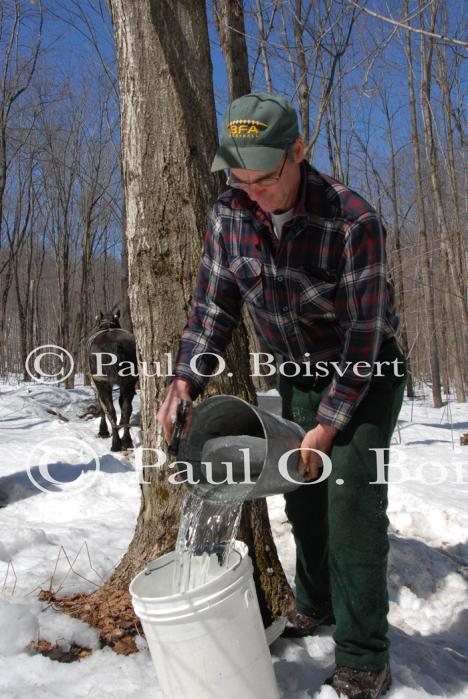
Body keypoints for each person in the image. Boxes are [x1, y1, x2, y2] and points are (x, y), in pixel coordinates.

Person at [157, 92, 407, 699]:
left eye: (265, 178)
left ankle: (364, 657)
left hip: (365, 373)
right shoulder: (229, 215)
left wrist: (328, 426)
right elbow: (214, 308)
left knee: (349, 502)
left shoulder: (352, 221)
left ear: (299, 152)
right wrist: (187, 377)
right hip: (295, 372)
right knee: (302, 498)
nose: (253, 192)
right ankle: (314, 606)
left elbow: (363, 337)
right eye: (238, 179)